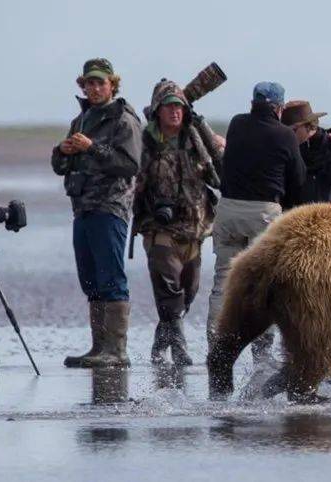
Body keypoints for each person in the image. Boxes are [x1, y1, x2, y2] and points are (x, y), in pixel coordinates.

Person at [206, 82, 305, 367]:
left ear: (252, 103)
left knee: (223, 281)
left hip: (228, 210)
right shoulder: (285, 134)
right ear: (279, 108)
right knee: (264, 286)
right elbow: (297, 180)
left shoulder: (237, 124)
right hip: (263, 213)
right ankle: (261, 355)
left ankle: (216, 346)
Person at [51, 58, 142, 368]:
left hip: (111, 207)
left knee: (111, 277)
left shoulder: (124, 119)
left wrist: (91, 147)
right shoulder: (81, 120)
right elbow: (59, 166)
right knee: (90, 278)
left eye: (100, 83)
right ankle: (98, 348)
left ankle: (116, 351)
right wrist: (62, 152)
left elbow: (130, 165)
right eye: (89, 83)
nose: (94, 88)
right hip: (83, 207)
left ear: (111, 85)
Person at [133, 79, 225, 366]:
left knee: (189, 291)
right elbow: (133, 182)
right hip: (159, 228)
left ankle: (163, 338)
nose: (175, 112)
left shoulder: (195, 138)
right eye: (169, 107)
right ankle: (179, 347)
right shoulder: (145, 142)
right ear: (158, 110)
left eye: (179, 107)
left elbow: (219, 173)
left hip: (195, 228)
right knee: (167, 288)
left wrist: (208, 131)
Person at [280, 100, 331, 212]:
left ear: (307, 126)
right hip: (306, 218)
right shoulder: (292, 148)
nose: (289, 135)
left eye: (293, 130)